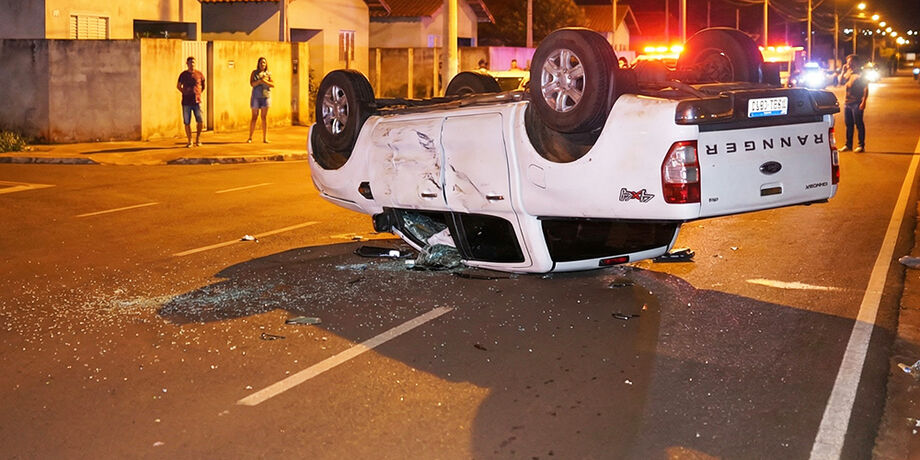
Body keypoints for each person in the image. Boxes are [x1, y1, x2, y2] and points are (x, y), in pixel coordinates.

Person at [839, 54, 869, 153]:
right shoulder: (848, 73)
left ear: (855, 62)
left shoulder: (861, 74)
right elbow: (840, 82)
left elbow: (866, 89)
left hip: (857, 102)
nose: (848, 64)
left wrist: (864, 102)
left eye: (850, 62)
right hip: (847, 102)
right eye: (848, 62)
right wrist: (843, 71)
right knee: (849, 124)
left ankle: (861, 145)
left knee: (859, 124)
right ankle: (848, 145)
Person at [176, 56, 205, 148]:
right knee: (187, 122)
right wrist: (184, 92)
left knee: (200, 120)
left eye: (193, 62)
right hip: (186, 102)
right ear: (187, 64)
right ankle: (190, 141)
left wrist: (198, 93)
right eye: (190, 62)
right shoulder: (183, 75)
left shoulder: (199, 74)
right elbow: (178, 86)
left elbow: (203, 86)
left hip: (197, 102)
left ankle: (198, 139)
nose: (192, 64)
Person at [248, 57, 274, 143]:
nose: (262, 64)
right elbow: (252, 84)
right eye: (261, 62)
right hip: (256, 97)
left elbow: (273, 84)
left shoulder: (268, 74)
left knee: (264, 117)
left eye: (264, 63)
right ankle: (250, 137)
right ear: (258, 64)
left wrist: (265, 81)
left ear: (266, 64)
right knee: (254, 117)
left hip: (266, 97)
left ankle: (265, 138)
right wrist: (260, 81)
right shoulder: (254, 73)